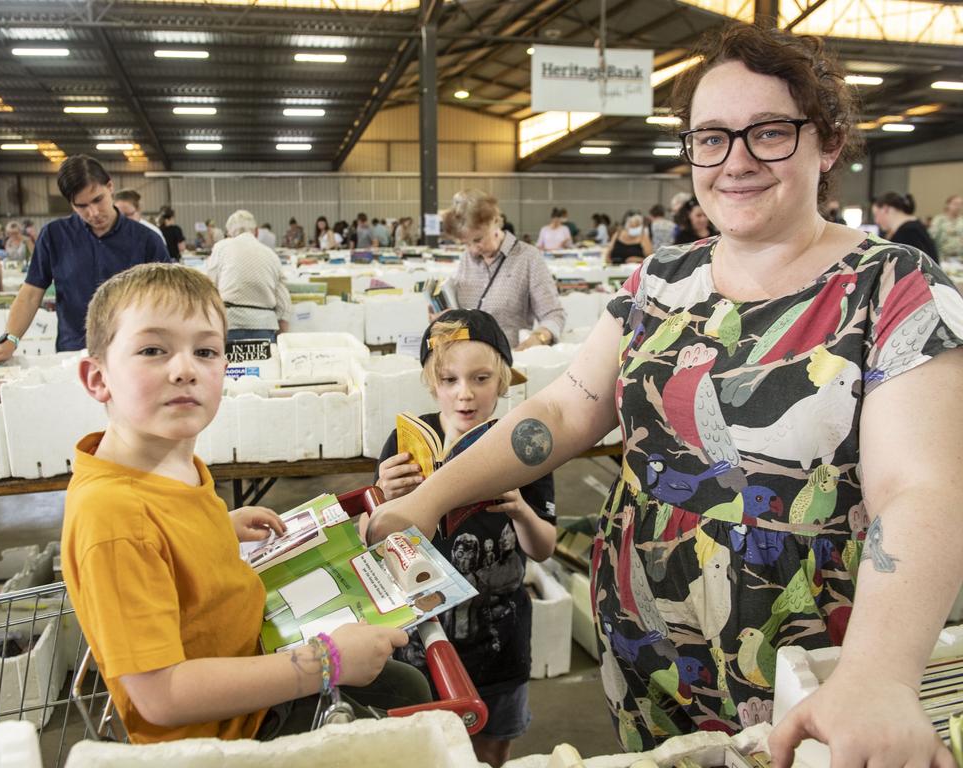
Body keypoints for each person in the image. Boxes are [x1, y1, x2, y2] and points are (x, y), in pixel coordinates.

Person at [369, 22, 963, 767]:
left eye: (769, 133)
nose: (735, 162)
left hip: (810, 675)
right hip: (646, 655)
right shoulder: (658, 282)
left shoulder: (895, 287)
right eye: (710, 138)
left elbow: (922, 490)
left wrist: (879, 675)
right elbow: (559, 412)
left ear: (830, 142)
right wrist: (431, 498)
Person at [62, 263, 429, 745]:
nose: (184, 369)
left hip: (251, 655)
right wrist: (326, 662)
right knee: (409, 717)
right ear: (97, 378)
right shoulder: (111, 517)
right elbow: (161, 695)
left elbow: (167, 529)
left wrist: (220, 525)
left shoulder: (171, 461)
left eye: (206, 351)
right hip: (223, 734)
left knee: (409, 685)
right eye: (153, 349)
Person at [374, 309, 555, 768]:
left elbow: (544, 547)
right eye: (450, 380)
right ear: (430, 382)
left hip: (500, 644)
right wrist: (384, 496)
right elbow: (372, 545)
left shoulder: (523, 446)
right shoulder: (404, 443)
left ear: (504, 381)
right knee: (419, 748)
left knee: (492, 746)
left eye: (480, 378)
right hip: (417, 644)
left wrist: (519, 509)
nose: (465, 394)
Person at [0, 156, 169, 363]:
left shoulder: (147, 240)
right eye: (82, 206)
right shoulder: (54, 236)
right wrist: (9, 341)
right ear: (71, 203)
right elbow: (31, 293)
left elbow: (168, 297)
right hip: (74, 353)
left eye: (98, 200)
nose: (93, 212)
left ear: (110, 186)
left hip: (135, 354)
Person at [442, 189, 566, 350]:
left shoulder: (528, 257)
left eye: (478, 240)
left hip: (509, 358)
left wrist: (538, 339)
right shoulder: (466, 259)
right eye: (466, 243)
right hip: (466, 360)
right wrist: (444, 317)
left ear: (494, 221)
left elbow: (554, 314)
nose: (472, 250)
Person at [206, 209, 292, 343]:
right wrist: (282, 338)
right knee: (265, 365)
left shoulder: (221, 247)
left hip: (230, 324)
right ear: (256, 231)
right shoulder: (271, 255)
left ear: (229, 233)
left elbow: (209, 288)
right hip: (265, 326)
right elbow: (284, 303)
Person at [872, 192, 940, 263]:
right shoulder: (914, 227)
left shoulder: (907, 232)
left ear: (886, 209)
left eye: (876, 215)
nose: (876, 221)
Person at [930, 194, 962, 262]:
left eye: (960, 204)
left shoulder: (961, 221)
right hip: (943, 258)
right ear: (948, 205)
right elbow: (931, 238)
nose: (958, 207)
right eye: (955, 204)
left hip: (960, 259)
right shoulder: (939, 220)